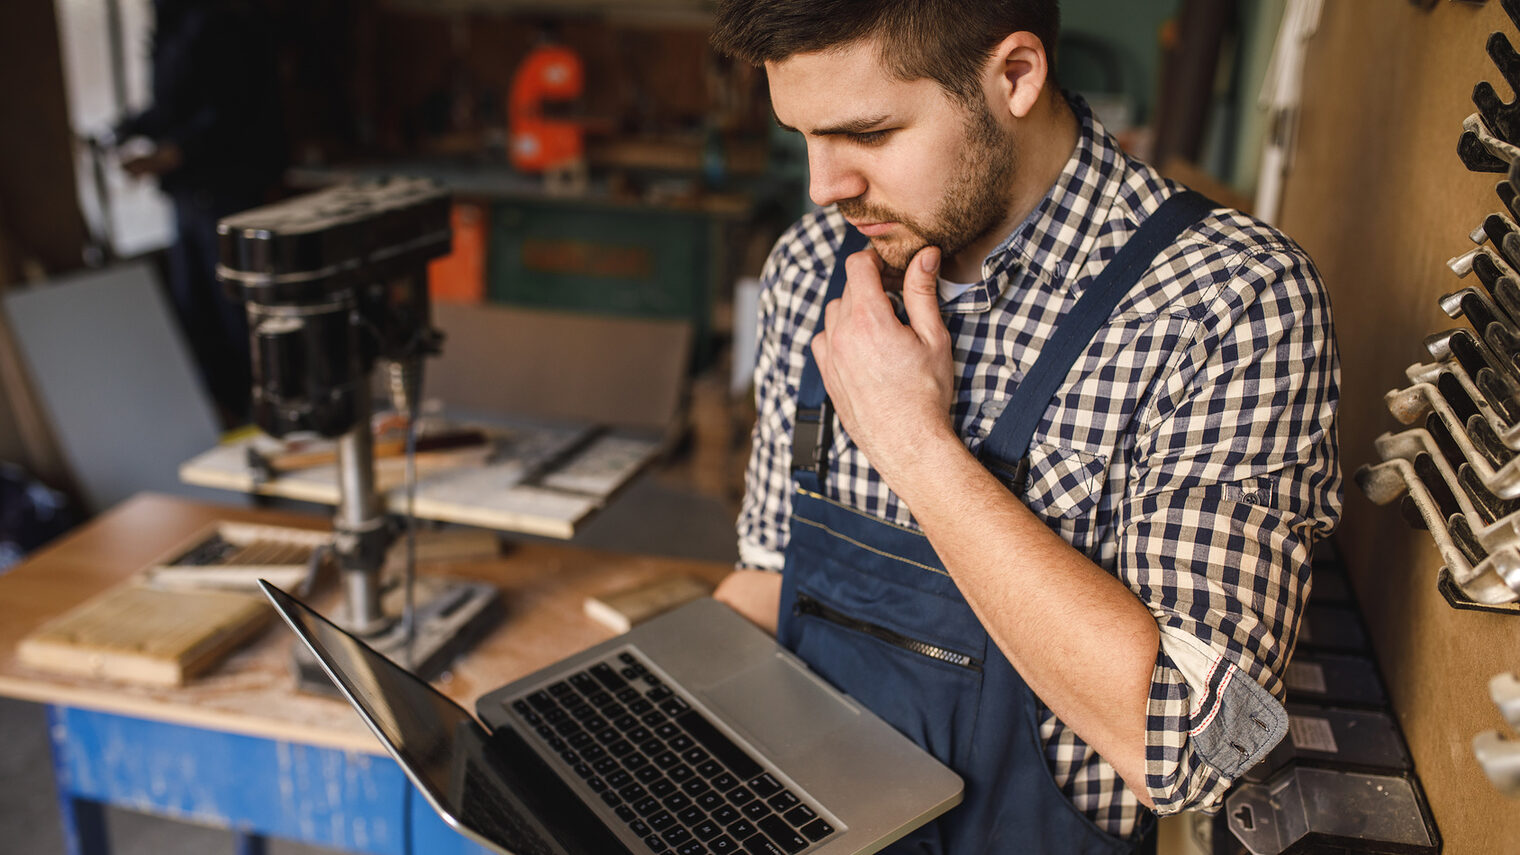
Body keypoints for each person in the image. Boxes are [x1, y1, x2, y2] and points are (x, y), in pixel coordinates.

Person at [709, 2, 1341, 852]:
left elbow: (1197, 744)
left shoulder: (1227, 305)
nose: (825, 186)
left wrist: (914, 446)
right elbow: (769, 580)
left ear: (1014, 76)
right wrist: (650, 721)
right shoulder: (812, 268)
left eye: (869, 134)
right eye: (805, 135)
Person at [113, 0, 285, 427]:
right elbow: (173, 105)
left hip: (227, 194)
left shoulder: (220, 24)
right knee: (196, 314)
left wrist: (171, 155)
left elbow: (228, 115)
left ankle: (264, 419)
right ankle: (225, 420)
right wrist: (128, 129)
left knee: (237, 317)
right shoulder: (171, 24)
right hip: (188, 199)